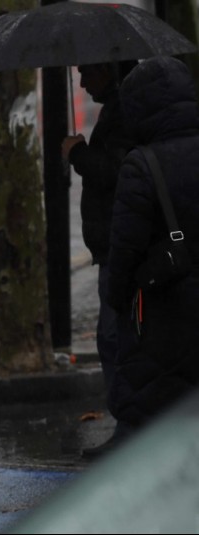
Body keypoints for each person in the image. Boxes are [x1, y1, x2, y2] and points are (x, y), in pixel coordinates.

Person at [104, 55, 199, 441]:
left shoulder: (141, 165)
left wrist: (118, 300)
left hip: (165, 312)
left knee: (155, 412)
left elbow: (124, 251)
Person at [60, 60, 138, 459]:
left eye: (87, 71)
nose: (81, 80)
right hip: (115, 244)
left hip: (122, 245)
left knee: (115, 338)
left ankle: (130, 430)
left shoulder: (125, 108)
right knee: (116, 337)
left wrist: (78, 154)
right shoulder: (119, 104)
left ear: (108, 69)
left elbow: (118, 172)